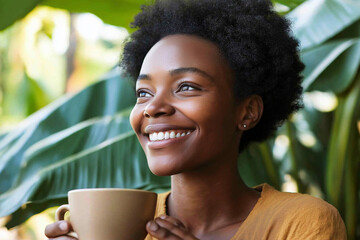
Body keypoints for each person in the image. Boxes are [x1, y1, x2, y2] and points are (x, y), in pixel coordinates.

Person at [45, 0, 347, 239]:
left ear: (248, 112)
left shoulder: (301, 223)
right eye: (143, 93)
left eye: (186, 87)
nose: (153, 108)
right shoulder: (123, 227)